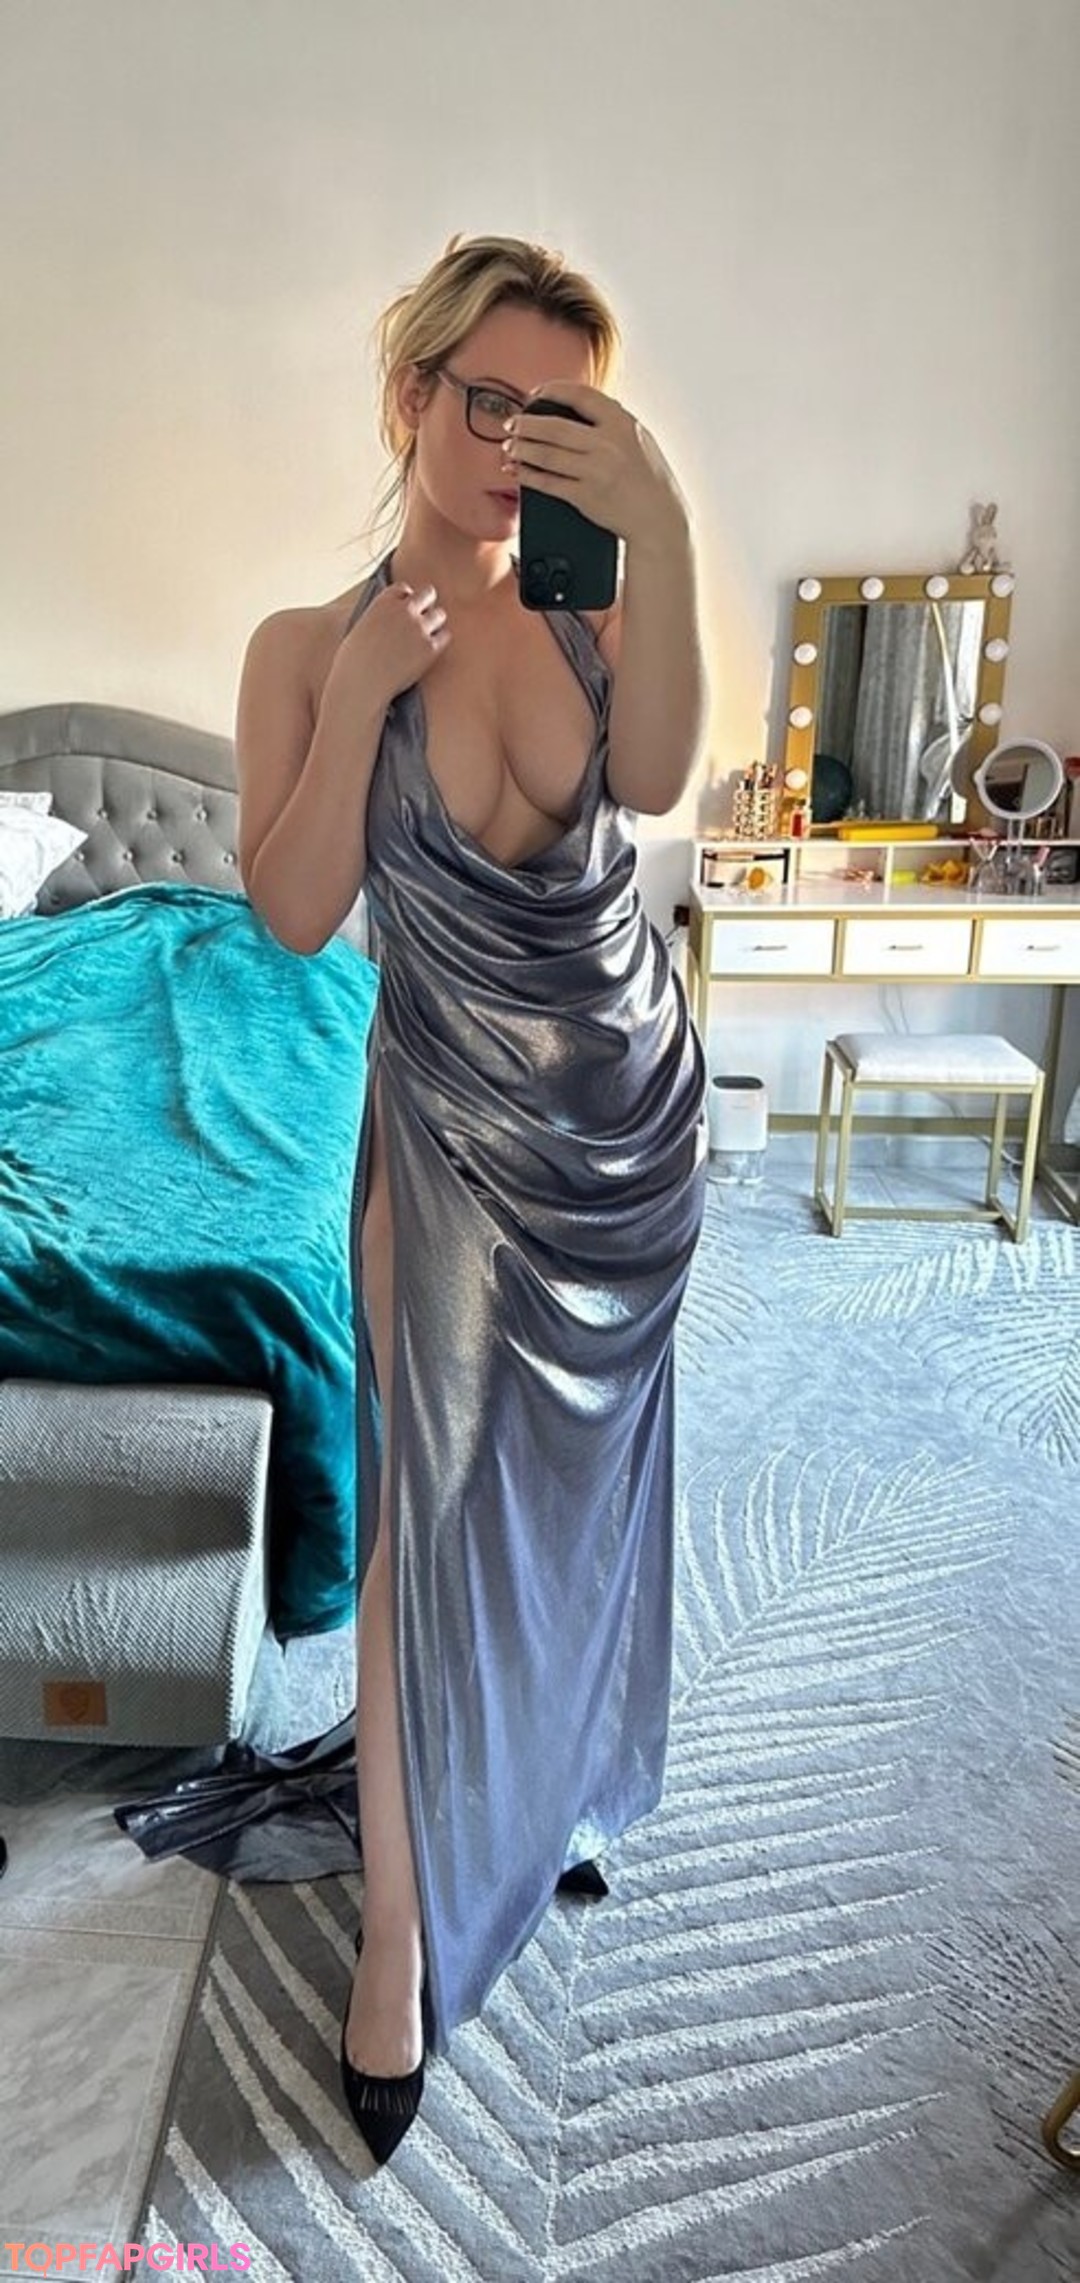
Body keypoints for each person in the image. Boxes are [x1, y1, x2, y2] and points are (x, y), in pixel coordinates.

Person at [235, 231, 709, 2164]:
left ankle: (564, 1779)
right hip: (442, 1130)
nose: (516, 446)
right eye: (486, 400)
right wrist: (361, 696)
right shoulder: (300, 647)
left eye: (561, 417)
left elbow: (657, 778)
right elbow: (293, 912)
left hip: (630, 1121)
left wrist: (665, 528)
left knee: (586, 1484)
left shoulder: (597, 610)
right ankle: (400, 1935)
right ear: (408, 397)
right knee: (425, 1519)